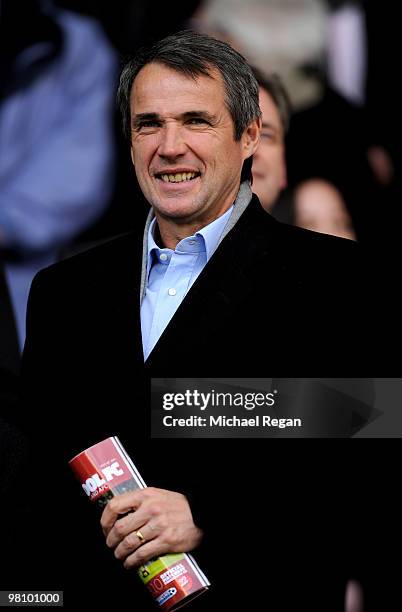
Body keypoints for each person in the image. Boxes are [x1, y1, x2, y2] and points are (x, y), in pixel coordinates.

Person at [18, 31, 389, 611]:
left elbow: (367, 465)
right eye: (148, 124)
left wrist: (210, 512)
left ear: (247, 138)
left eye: (196, 121)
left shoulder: (338, 280)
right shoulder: (64, 291)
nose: (170, 146)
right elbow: (36, 483)